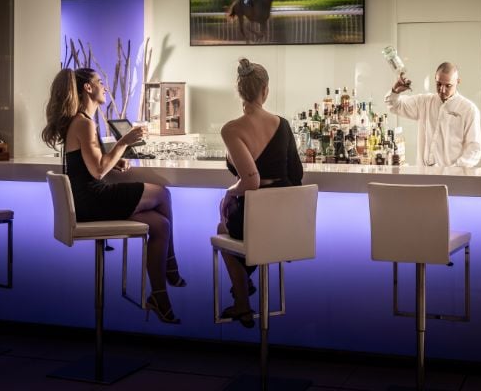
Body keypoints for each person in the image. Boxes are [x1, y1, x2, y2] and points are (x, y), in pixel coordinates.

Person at [42, 68, 185, 324]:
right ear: (88, 88)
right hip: (93, 200)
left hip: (86, 201)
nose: (104, 87)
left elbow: (93, 163)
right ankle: (171, 267)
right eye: (99, 82)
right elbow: (98, 172)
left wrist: (115, 161)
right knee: (163, 193)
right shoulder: (84, 123)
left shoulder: (82, 121)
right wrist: (124, 142)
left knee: (160, 225)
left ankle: (160, 297)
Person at [219, 58, 303, 327]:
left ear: (239, 90)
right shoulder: (284, 124)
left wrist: (229, 193)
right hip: (286, 221)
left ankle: (242, 299)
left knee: (223, 229)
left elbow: (251, 180)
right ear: (265, 89)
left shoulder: (232, 129)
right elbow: (296, 174)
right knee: (249, 234)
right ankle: (243, 290)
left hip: (256, 217)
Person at [384, 62, 481, 167]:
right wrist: (395, 91)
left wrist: (453, 170)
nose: (442, 90)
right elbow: (394, 106)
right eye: (439, 84)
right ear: (435, 79)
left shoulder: (469, 109)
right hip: (423, 176)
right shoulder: (424, 102)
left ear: (458, 81)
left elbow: (474, 149)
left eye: (448, 86)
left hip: (452, 177)